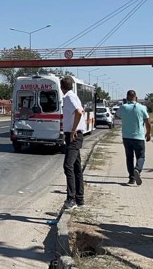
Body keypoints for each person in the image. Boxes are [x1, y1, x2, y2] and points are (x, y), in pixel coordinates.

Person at [60, 76, 85, 210]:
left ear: (61, 87)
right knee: (76, 167)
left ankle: (71, 199)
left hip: (73, 135)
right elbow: (81, 111)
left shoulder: (69, 97)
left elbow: (79, 112)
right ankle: (79, 198)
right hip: (75, 134)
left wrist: (73, 130)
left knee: (67, 166)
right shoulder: (73, 96)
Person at [118, 90, 151, 185]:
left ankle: (132, 178)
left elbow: (117, 116)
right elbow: (147, 122)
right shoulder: (142, 108)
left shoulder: (123, 107)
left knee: (129, 157)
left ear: (127, 97)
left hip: (126, 137)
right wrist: (148, 133)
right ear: (136, 98)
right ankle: (137, 169)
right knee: (141, 156)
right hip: (139, 137)